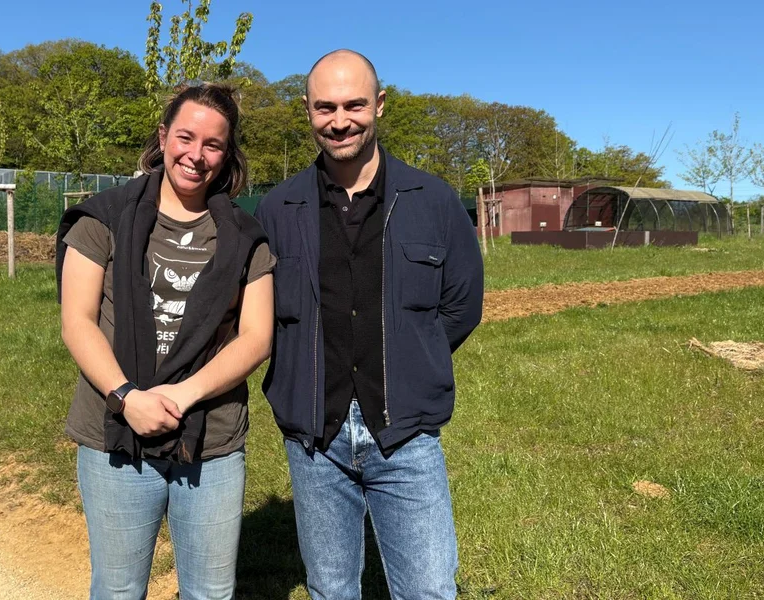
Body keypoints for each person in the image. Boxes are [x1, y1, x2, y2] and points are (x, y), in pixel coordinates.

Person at [254, 50, 484, 599]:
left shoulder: (432, 200)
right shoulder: (278, 209)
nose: (340, 121)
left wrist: (410, 357)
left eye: (354, 104)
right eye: (325, 107)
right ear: (307, 111)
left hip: (405, 432)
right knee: (331, 590)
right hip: (316, 439)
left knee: (429, 590)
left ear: (379, 105)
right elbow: (259, 319)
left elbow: (461, 307)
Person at [56, 83, 275, 600]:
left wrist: (184, 394)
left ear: (227, 154)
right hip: (115, 433)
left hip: (211, 442)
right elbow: (78, 321)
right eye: (185, 137)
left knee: (211, 592)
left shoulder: (247, 236)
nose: (196, 155)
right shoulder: (102, 217)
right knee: (118, 589)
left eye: (213, 144)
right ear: (163, 137)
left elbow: (257, 337)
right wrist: (126, 396)